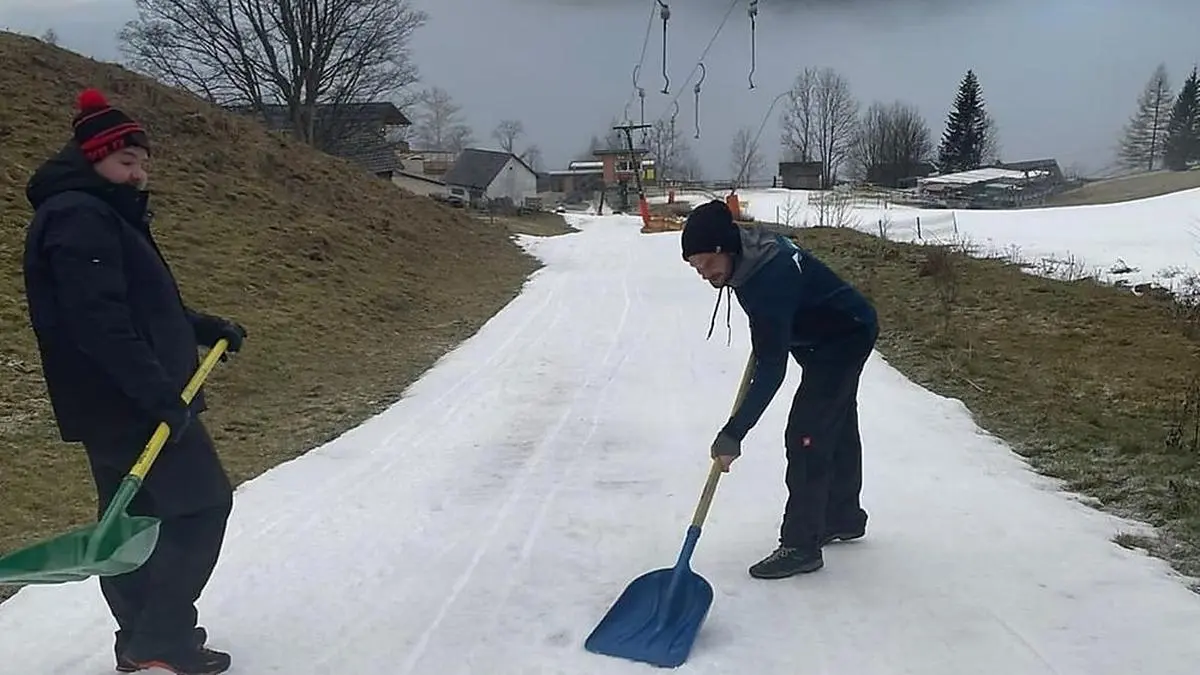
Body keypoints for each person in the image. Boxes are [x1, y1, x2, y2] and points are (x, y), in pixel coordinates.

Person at [21, 88, 247, 674]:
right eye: (127, 162)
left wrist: (200, 326)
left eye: (143, 163)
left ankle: (144, 646)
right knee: (200, 506)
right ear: (91, 156)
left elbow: (135, 305)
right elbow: (98, 324)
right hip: (129, 401)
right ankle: (159, 641)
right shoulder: (78, 215)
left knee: (132, 524)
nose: (139, 175)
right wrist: (158, 398)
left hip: (120, 399)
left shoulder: (100, 211)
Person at [680, 199, 878, 580]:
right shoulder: (747, 259)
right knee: (833, 420)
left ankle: (801, 545)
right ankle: (843, 516)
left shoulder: (769, 275)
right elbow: (771, 333)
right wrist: (771, 332)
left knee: (807, 434)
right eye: (695, 267)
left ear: (726, 248)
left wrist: (734, 432)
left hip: (844, 336)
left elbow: (773, 368)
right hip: (820, 335)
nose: (703, 274)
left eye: (706, 263)